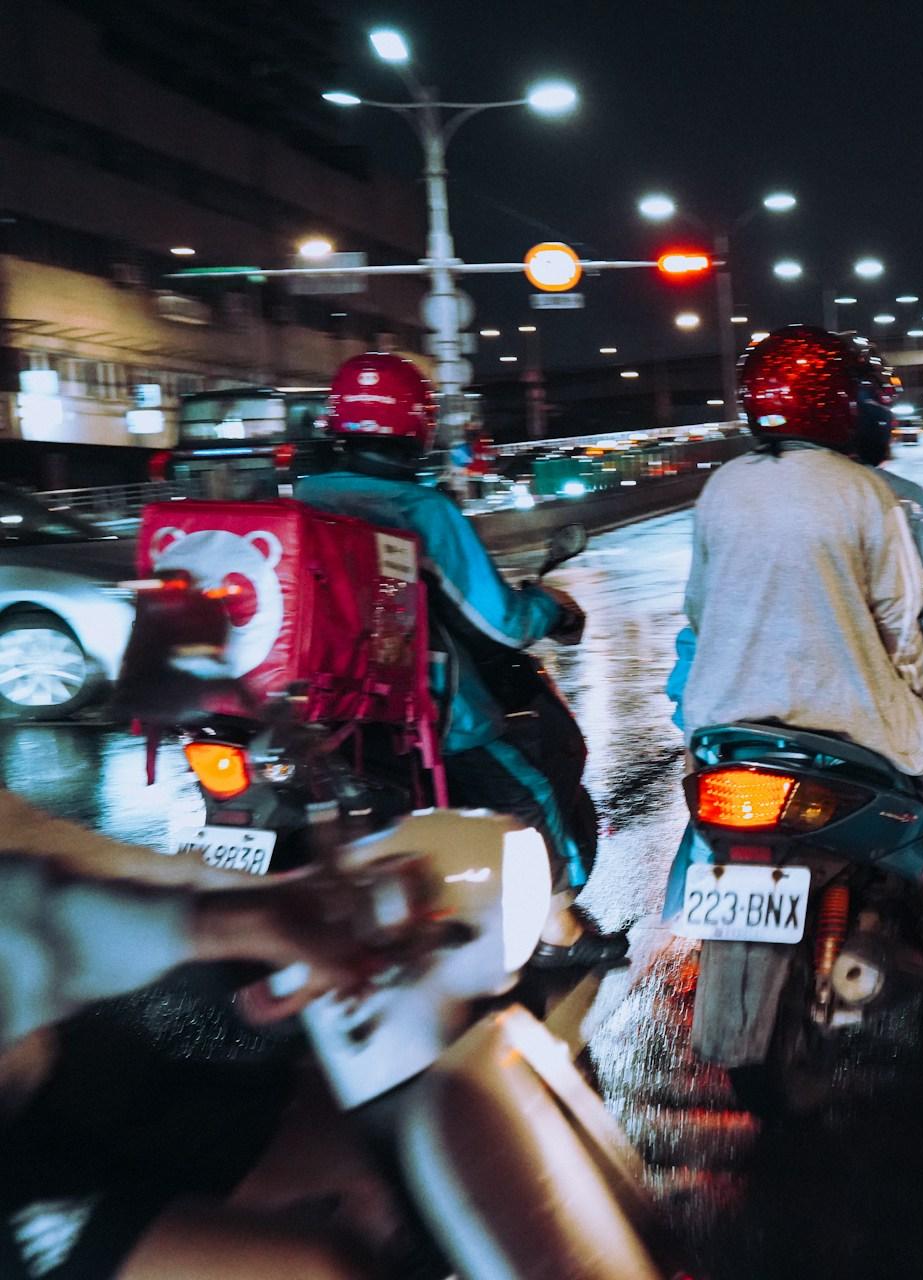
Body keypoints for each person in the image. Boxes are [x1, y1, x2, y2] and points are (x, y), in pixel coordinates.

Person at [669, 326, 923, 1012]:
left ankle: (688, 908)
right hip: (851, 710)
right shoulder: (881, 495)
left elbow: (699, 613)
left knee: (705, 787)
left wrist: (690, 709)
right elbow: (916, 622)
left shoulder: (723, 486)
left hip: (726, 710)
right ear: (852, 407)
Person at [296, 352, 625, 970]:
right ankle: (559, 931)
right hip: (419, 711)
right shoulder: (421, 511)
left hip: (320, 705)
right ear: (418, 428)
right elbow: (501, 619)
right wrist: (548, 608)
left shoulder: (304, 500)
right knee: (527, 792)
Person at [0, 797, 392, 1278]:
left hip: (35, 1075)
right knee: (321, 1267)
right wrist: (223, 924)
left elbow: (25, 842)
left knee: (372, 1136)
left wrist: (244, 905)